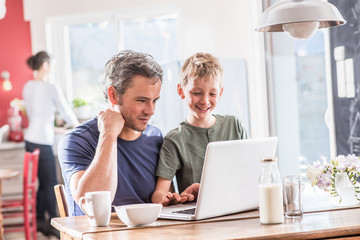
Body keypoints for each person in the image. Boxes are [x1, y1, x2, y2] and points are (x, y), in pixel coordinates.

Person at [58, 50, 167, 217]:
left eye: (155, 101)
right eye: (142, 100)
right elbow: (92, 208)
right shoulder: (77, 140)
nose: (151, 110)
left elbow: (161, 201)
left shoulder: (156, 138)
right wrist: (109, 133)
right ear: (113, 95)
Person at [152, 52, 247, 205]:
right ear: (181, 91)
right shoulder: (175, 139)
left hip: (236, 208)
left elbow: (246, 173)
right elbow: (159, 192)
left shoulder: (234, 125)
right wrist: (169, 199)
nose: (204, 101)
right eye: (196, 93)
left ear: (220, 93)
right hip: (198, 218)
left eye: (212, 93)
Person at [23, 51, 79, 235]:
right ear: (46, 65)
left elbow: (35, 115)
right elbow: (65, 111)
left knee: (42, 182)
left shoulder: (28, 86)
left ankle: (40, 220)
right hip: (42, 139)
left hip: (30, 138)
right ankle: (55, 223)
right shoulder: (50, 86)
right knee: (51, 183)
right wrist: (78, 127)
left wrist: (52, 128)